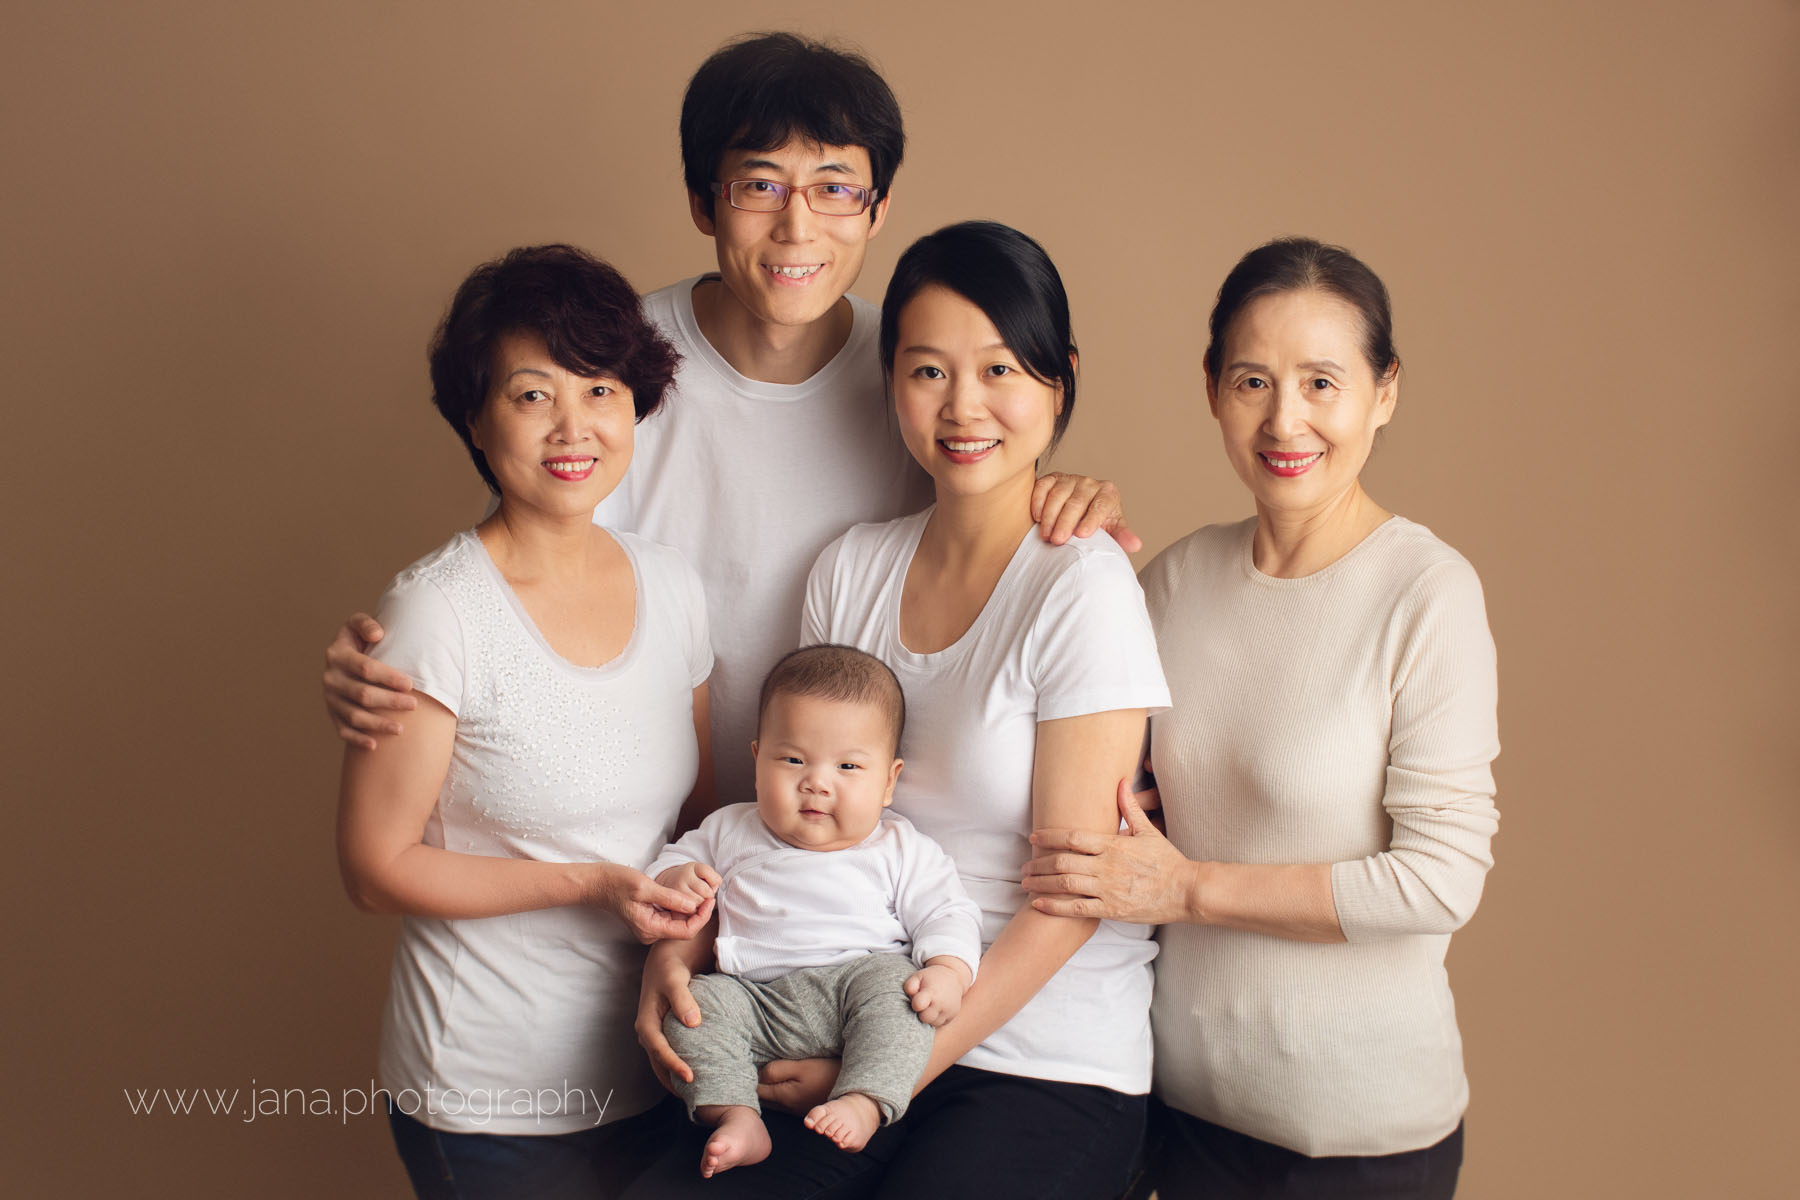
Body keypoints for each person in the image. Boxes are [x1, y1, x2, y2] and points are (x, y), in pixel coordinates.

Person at [319, 33, 1135, 806]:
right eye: (761, 185)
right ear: (704, 203)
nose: (797, 225)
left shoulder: (920, 371)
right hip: (632, 821)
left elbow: (989, 490)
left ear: (877, 209)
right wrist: (412, 664)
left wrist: (1061, 496)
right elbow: (528, 549)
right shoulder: (610, 364)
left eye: (835, 188)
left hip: (850, 850)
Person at [627, 221, 1171, 1200]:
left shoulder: (1080, 586)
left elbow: (1074, 897)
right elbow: (788, 813)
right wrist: (681, 947)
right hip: (842, 1011)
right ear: (891, 386)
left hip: (1040, 1056)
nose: (965, 407)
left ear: (1061, 378)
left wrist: (883, 1075)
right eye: (928, 372)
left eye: (1002, 368)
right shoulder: (853, 569)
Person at [1023, 237, 1500, 1200]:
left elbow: (1440, 881)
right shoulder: (1172, 582)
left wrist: (1191, 889)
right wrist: (1065, 549)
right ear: (1212, 390)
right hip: (1176, 1124)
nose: (1287, 419)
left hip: (1361, 1146)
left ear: (1385, 391)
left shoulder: (1426, 592)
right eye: (1253, 380)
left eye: (1323, 382)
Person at [334, 244, 717, 1199]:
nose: (572, 426)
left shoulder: (674, 587)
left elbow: (695, 816)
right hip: (488, 1091)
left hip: (657, 1071)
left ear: (637, 404)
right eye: (531, 395)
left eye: (599, 389)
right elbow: (375, 869)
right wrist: (588, 883)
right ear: (475, 417)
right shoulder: (438, 610)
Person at [646, 644, 983, 1177]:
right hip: (752, 997)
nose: (817, 782)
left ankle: (864, 1100)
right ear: (756, 758)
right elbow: (668, 864)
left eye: (848, 766)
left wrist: (948, 971)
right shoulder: (730, 828)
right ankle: (736, 1115)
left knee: (902, 997)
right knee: (694, 1006)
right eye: (793, 759)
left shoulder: (900, 847)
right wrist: (675, 878)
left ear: (889, 780)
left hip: (853, 988)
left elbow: (949, 913)